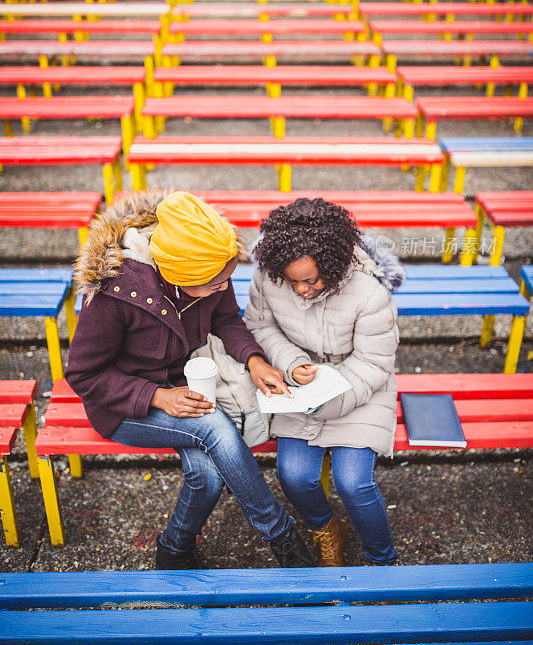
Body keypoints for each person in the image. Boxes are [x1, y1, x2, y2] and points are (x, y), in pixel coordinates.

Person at [65, 190, 315, 570]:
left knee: (208, 476)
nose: (223, 287)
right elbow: (84, 374)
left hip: (184, 386)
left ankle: (173, 549)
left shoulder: (211, 262)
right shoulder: (114, 293)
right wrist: (156, 396)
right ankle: (281, 536)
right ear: (180, 278)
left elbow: (226, 319)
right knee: (213, 425)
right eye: (215, 284)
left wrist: (254, 360)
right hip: (125, 406)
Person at [245, 197, 404, 567]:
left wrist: (328, 399)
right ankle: (327, 528)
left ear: (331, 266)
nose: (301, 290)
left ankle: (383, 560)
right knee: (294, 476)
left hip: (360, 388)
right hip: (298, 385)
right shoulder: (268, 275)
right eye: (292, 281)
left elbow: (374, 362)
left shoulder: (369, 290)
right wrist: (291, 362)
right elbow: (260, 325)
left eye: (310, 280)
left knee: (354, 483)